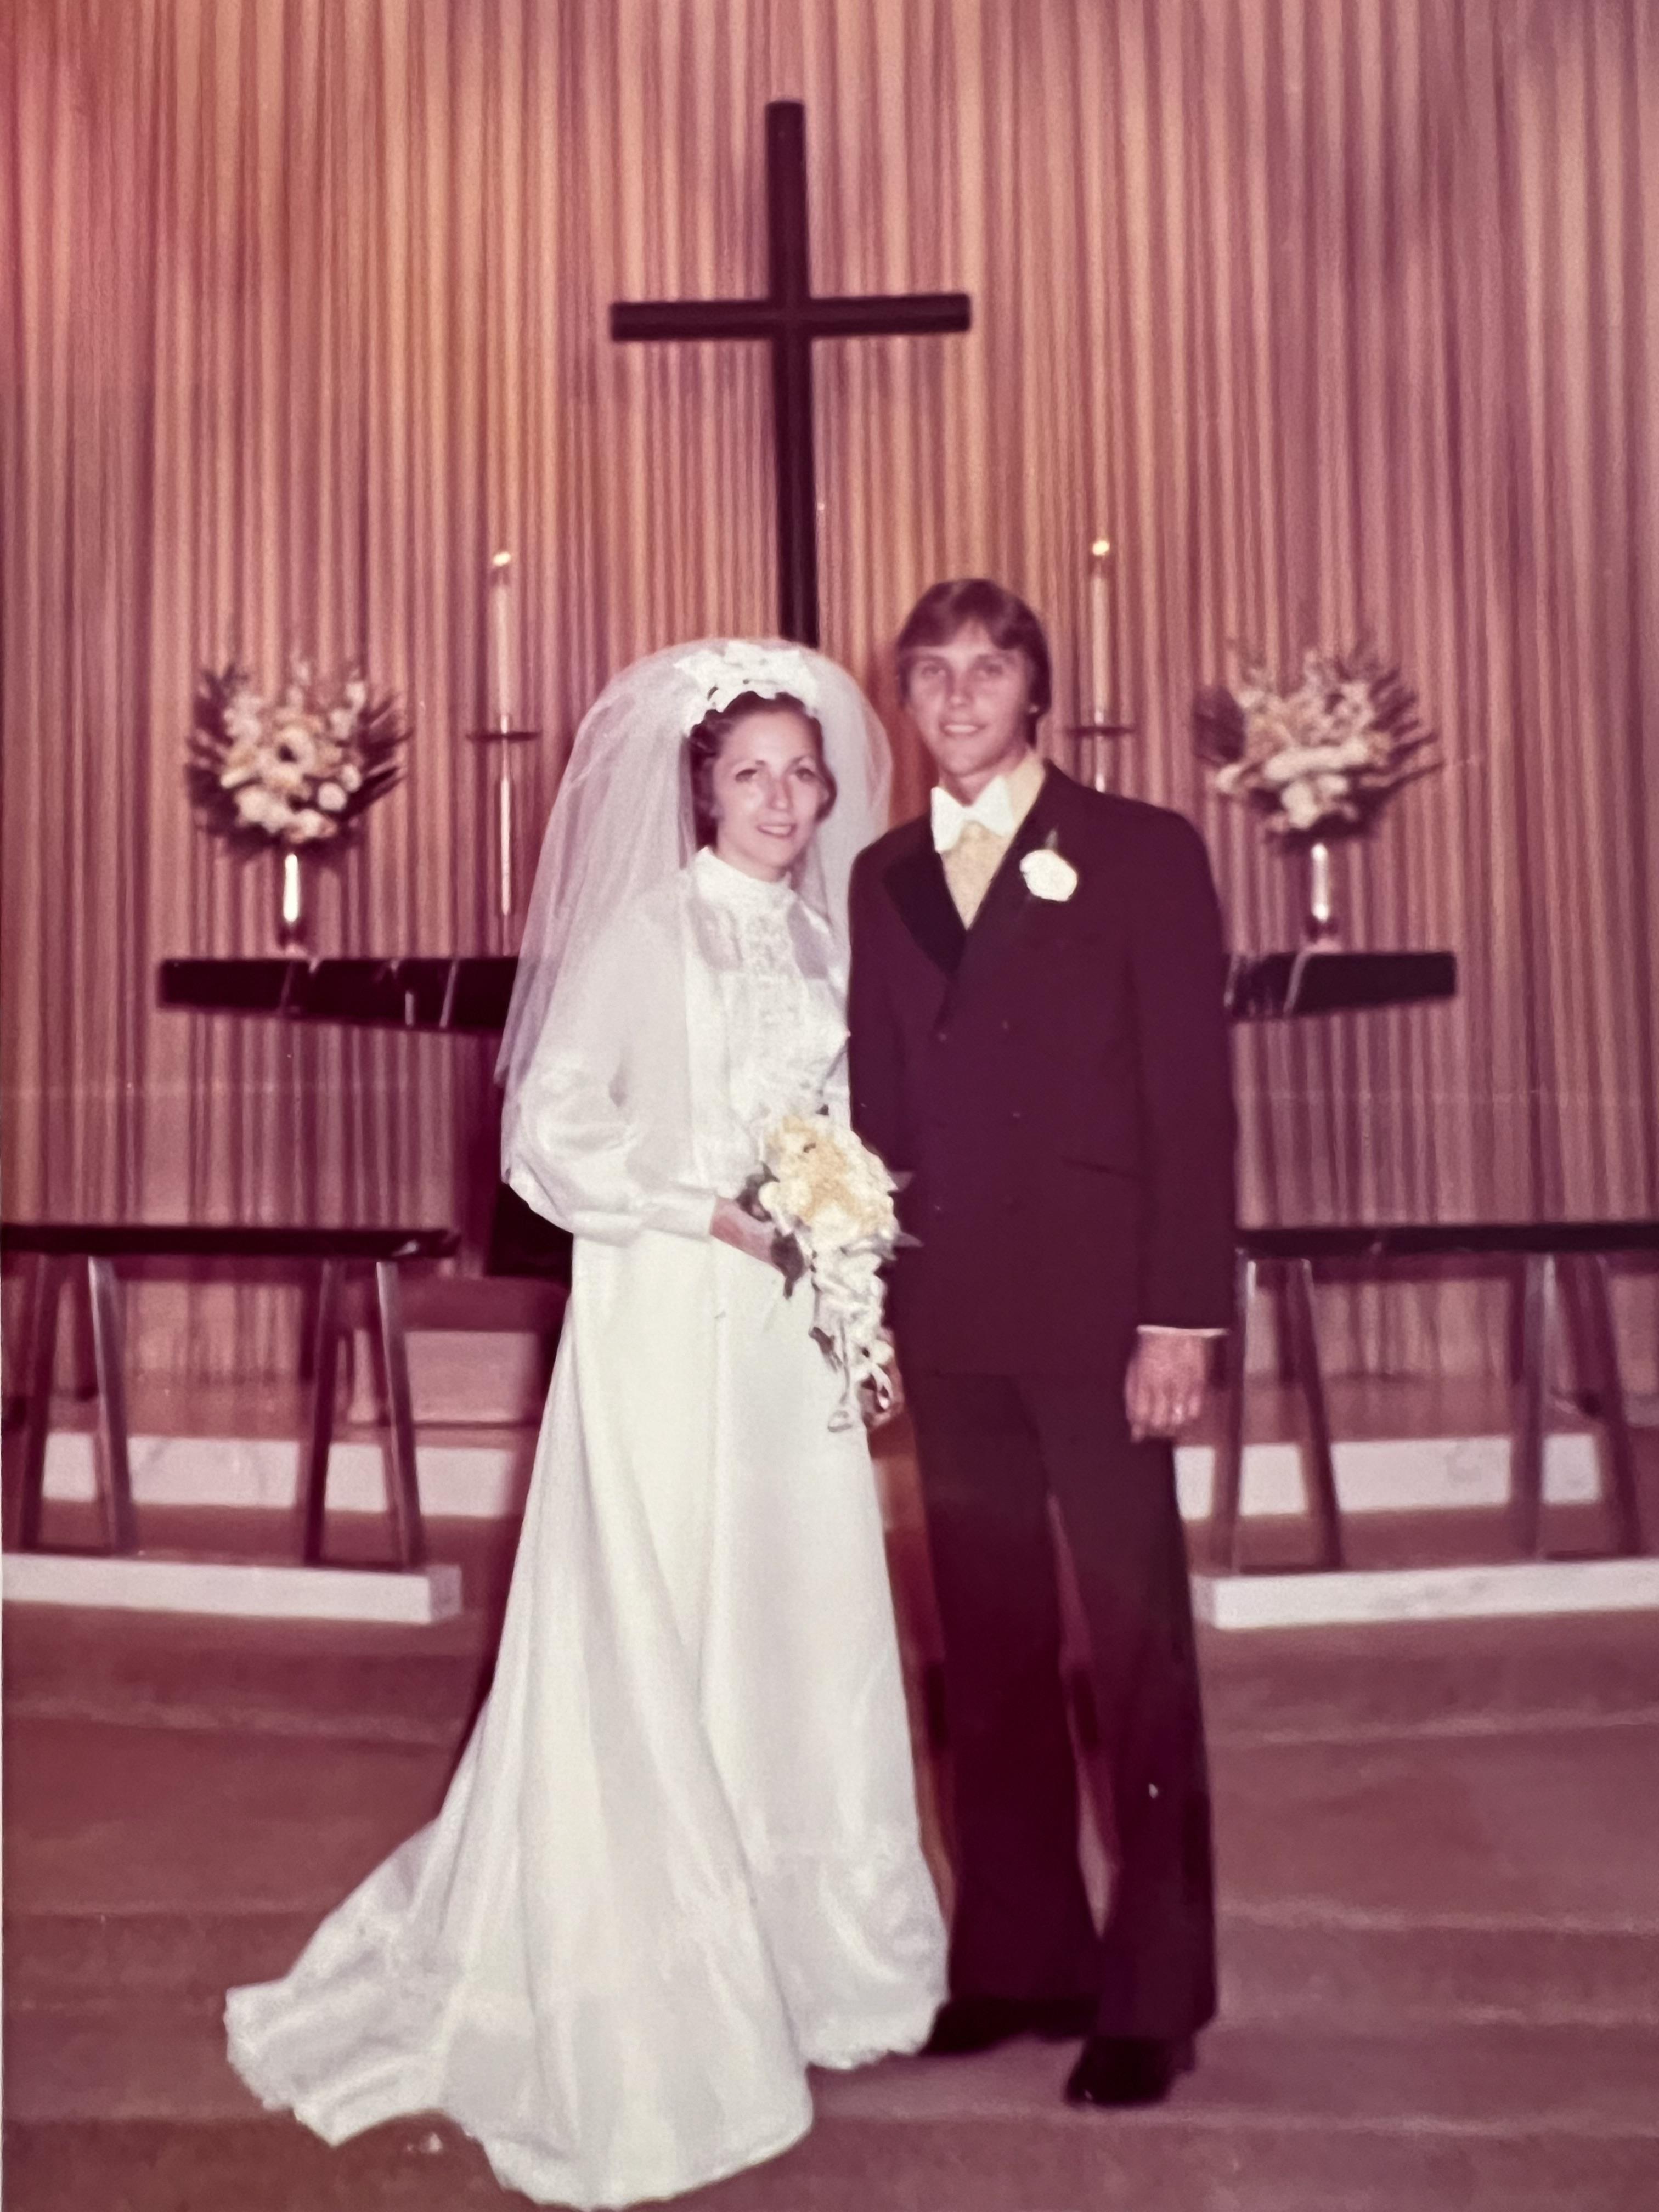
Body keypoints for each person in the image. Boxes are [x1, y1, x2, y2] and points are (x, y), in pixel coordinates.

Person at [227, 639, 946, 2208]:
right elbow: (553, 1135)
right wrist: (714, 1213)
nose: (782, 797)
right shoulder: (645, 932)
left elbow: (855, 1127)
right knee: (659, 1602)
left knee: (792, 1617)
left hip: (782, 1339)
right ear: (701, 789)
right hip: (663, 1315)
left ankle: (806, 1952)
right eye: (751, 772)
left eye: (803, 772)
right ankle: (649, 1969)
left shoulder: (831, 949)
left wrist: (839, 1235)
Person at [847, 579, 1237, 2109]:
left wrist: (1180, 1317)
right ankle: (1021, 1958)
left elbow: (1191, 1105)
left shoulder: (1139, 851)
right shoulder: (880, 876)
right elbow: (878, 1106)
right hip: (951, 1317)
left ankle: (1155, 1991)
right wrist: (863, 1295)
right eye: (931, 674)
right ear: (906, 698)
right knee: (989, 1648)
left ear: (1036, 691)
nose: (956, 698)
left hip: (1103, 1317)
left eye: (987, 670)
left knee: (1133, 1651)